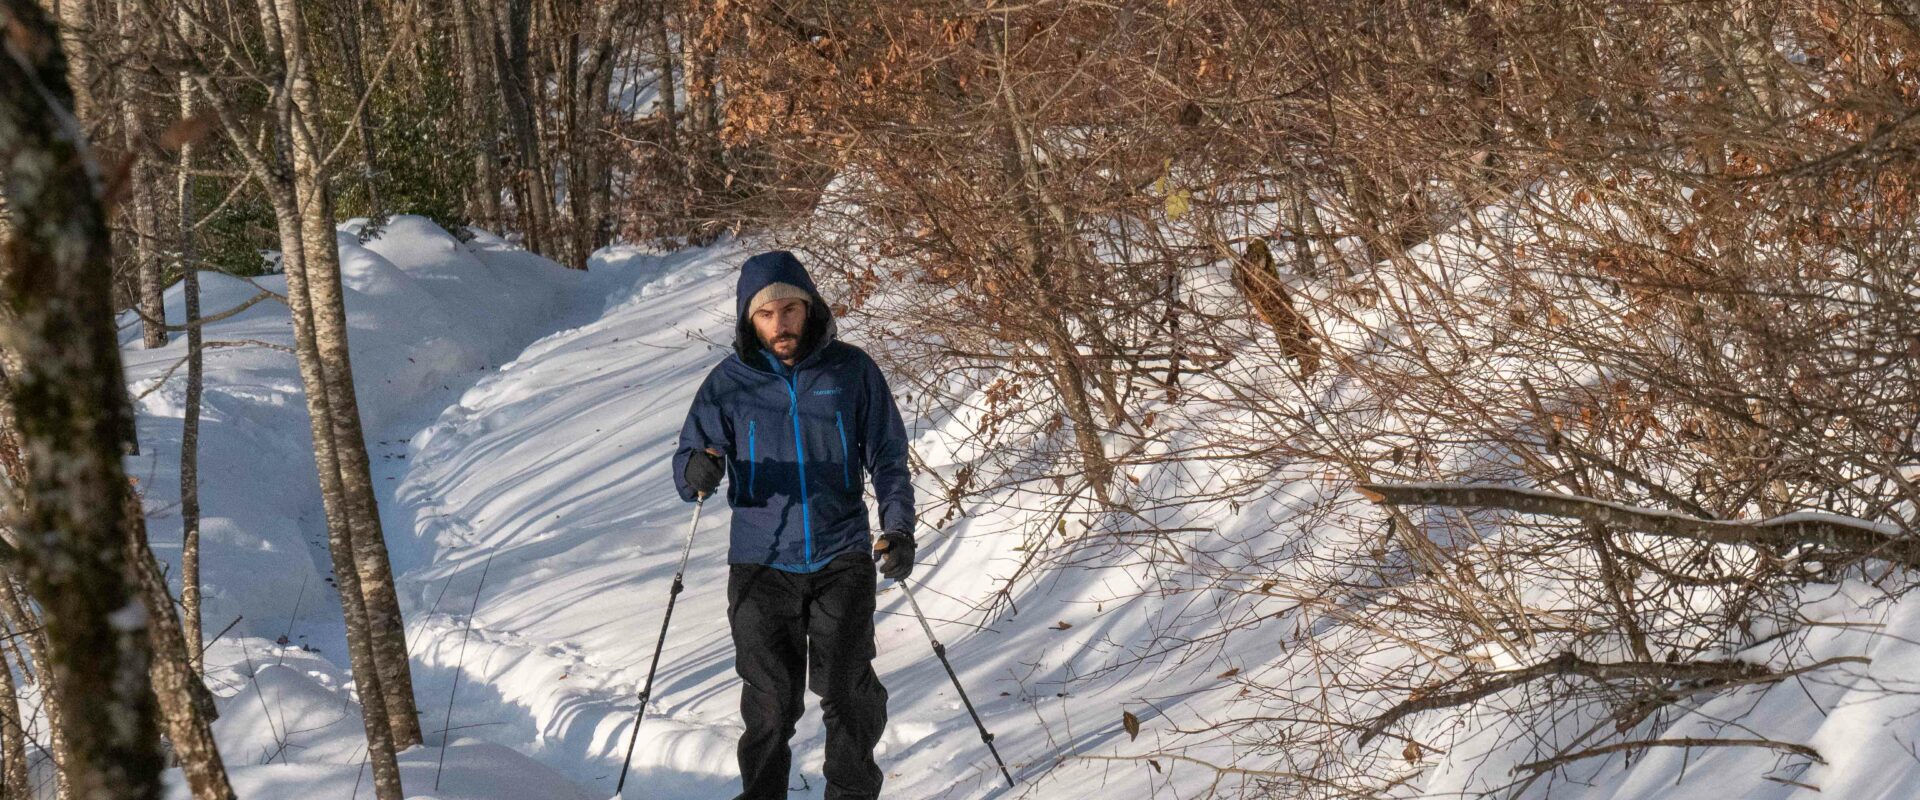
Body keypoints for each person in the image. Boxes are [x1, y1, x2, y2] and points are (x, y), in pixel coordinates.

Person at [674, 250, 915, 800]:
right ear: (749, 321)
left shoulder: (851, 371)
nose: (780, 323)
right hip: (761, 564)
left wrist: (898, 530)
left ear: (808, 308)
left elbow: (889, 458)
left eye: (789, 309)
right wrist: (697, 467)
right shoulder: (727, 385)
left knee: (848, 695)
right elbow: (688, 466)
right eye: (766, 314)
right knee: (770, 706)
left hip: (842, 557)